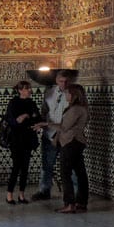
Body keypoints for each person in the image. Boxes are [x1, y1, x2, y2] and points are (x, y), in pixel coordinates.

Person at [35, 84, 89, 213]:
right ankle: (81, 202)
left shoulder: (76, 109)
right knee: (80, 172)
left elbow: (64, 126)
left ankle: (70, 204)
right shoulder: (78, 108)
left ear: (74, 95)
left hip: (71, 143)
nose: (66, 96)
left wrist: (46, 124)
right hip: (75, 142)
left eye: (67, 94)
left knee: (66, 173)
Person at [31, 69, 73, 201]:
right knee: (47, 164)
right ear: (56, 80)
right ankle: (44, 190)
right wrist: (39, 123)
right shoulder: (49, 93)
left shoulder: (73, 93)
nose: (64, 84)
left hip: (66, 135)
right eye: (61, 81)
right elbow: (44, 111)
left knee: (70, 165)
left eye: (66, 81)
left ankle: (75, 193)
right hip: (50, 134)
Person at [5, 80, 40, 205]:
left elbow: (37, 117)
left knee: (25, 168)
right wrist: (24, 117)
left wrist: (26, 116)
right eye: (27, 88)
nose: (30, 90)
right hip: (16, 139)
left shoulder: (31, 103)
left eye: (30, 88)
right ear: (20, 90)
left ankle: (21, 194)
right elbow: (13, 120)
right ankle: (9, 194)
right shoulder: (13, 103)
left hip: (28, 138)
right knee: (16, 167)